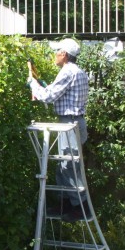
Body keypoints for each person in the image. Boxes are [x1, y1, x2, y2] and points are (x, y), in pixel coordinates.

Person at [28, 38, 91, 222]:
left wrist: (33, 84)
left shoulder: (67, 72)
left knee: (69, 166)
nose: (54, 55)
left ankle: (80, 207)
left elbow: (48, 97)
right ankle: (66, 205)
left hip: (69, 123)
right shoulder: (78, 71)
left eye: (57, 52)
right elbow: (59, 95)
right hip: (75, 122)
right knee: (64, 166)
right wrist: (45, 87)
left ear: (64, 54)